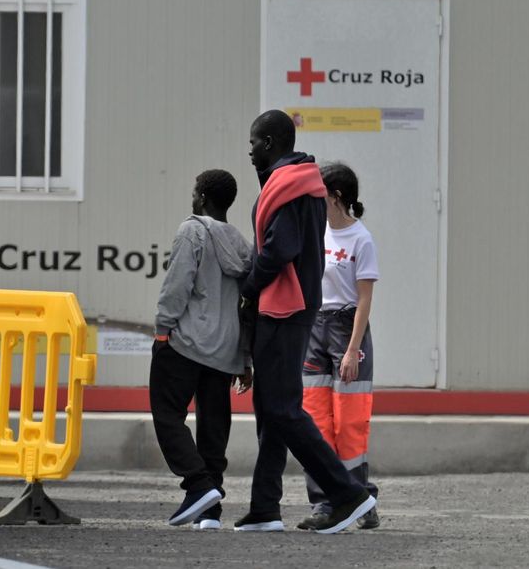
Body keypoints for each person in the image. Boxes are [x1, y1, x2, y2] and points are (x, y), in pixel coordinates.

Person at [233, 110, 376, 534]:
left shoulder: (292, 185)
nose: (249, 150)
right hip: (290, 311)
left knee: (283, 409)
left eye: (254, 142)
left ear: (270, 142)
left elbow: (279, 250)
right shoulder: (296, 182)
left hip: (285, 310)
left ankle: (347, 494)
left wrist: (249, 285)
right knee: (270, 409)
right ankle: (265, 508)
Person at [150, 169, 254, 530]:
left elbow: (177, 285)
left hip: (186, 343)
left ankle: (198, 485)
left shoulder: (191, 230)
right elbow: (247, 306)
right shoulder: (242, 245)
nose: (192, 198)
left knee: (167, 414)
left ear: (204, 198)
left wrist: (162, 330)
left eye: (195, 192)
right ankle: (211, 511)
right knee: (214, 425)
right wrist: (245, 358)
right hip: (225, 350)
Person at [298, 163, 381, 530]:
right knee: (315, 422)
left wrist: (351, 350)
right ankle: (323, 503)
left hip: (348, 330)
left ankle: (359, 499)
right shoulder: (316, 232)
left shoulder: (361, 239)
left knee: (349, 424)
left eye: (320, 191)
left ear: (336, 196)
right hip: (315, 326)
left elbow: (364, 300)